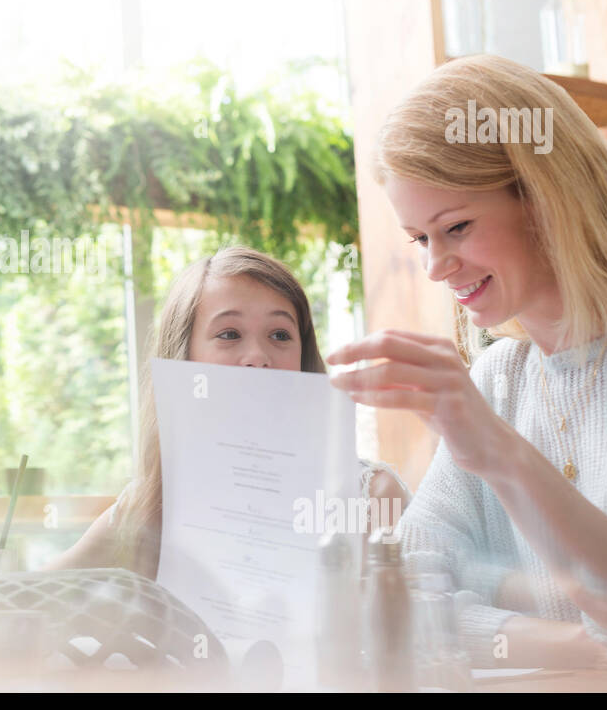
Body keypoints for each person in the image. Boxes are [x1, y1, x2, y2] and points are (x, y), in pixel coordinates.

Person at [327, 54, 607, 674]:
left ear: (547, 201)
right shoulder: (499, 380)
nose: (434, 266)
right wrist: (579, 649)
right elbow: (407, 601)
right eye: (420, 239)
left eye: (456, 227)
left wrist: (499, 453)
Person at [47, 245, 408, 579]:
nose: (258, 357)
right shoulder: (145, 507)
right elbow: (37, 596)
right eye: (229, 334)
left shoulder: (374, 497)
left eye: (280, 335)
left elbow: (425, 631)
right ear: (185, 358)